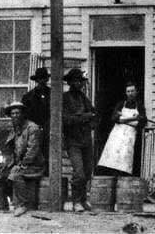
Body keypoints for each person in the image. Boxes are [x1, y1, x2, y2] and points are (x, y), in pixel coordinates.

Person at [0, 101, 44, 217]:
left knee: (16, 174)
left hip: (33, 165)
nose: (15, 116)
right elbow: (9, 149)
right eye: (12, 114)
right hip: (17, 163)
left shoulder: (32, 128)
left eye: (17, 113)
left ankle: (22, 205)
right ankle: (1, 203)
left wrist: (21, 164)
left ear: (23, 114)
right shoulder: (15, 129)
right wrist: (7, 164)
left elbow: (32, 150)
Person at [63, 68, 96, 213]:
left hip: (86, 140)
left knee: (88, 171)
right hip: (73, 141)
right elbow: (66, 120)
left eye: (80, 81)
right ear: (70, 82)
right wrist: (84, 117)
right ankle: (76, 201)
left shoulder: (84, 98)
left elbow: (94, 115)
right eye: (76, 81)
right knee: (79, 172)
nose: (79, 84)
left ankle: (83, 199)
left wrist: (89, 119)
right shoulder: (65, 98)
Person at [97, 81, 146, 176]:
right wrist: (134, 118)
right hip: (117, 134)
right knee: (113, 158)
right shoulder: (121, 104)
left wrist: (123, 119)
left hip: (130, 135)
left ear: (136, 92)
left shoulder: (139, 105)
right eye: (128, 91)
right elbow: (114, 118)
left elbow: (142, 121)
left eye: (132, 91)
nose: (130, 93)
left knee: (125, 158)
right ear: (126, 93)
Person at [22, 66, 50, 168]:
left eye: (44, 78)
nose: (42, 81)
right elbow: (25, 117)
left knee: (49, 157)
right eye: (40, 79)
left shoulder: (53, 95)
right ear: (36, 80)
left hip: (49, 132)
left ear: (47, 79)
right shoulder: (28, 97)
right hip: (34, 132)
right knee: (35, 156)